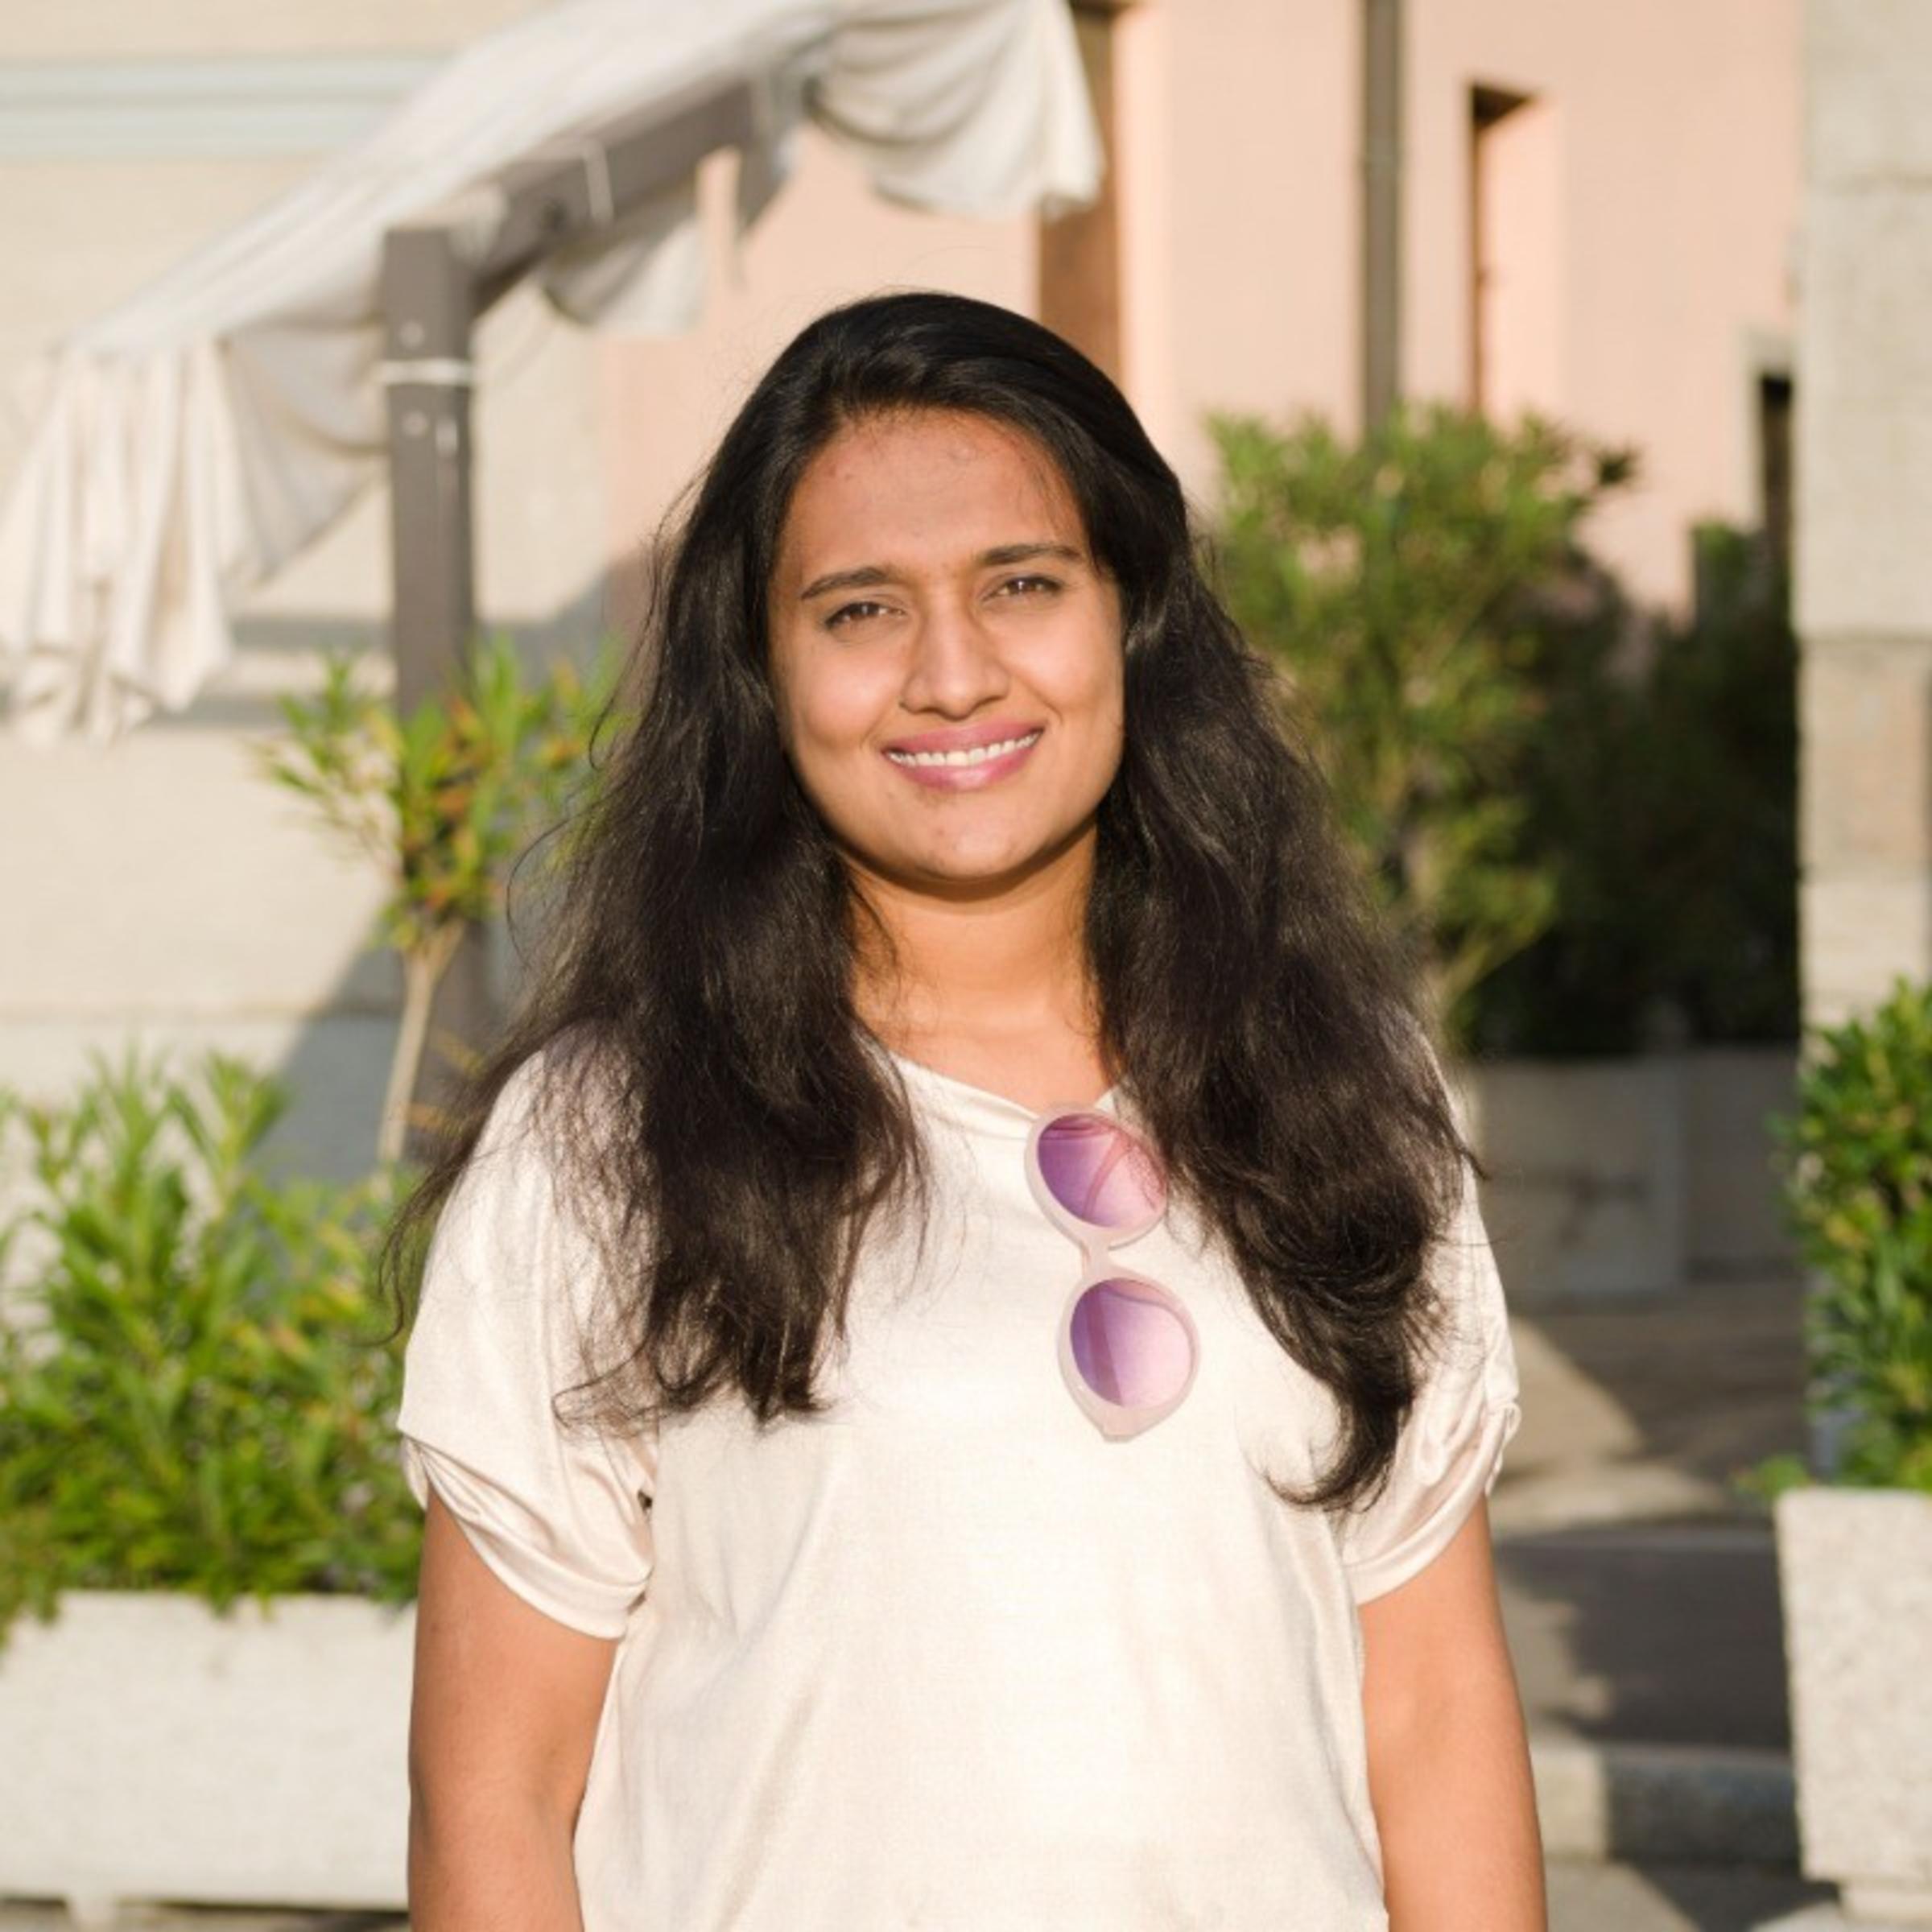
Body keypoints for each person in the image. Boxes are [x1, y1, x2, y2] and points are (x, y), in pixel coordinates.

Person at [394, 287, 1544, 1930]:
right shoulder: (611, 1140)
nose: (953, 674)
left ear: (1130, 617)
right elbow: (493, 1795)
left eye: (1021, 584)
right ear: (765, 671)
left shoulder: (1339, 1092)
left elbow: (1433, 1717)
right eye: (860, 610)